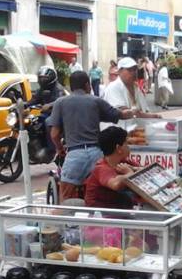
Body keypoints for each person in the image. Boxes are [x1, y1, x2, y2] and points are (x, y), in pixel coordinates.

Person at [48, 71, 137, 203]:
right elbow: (121, 115)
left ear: (71, 86)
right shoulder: (96, 101)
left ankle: (65, 222)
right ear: (87, 85)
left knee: (65, 197)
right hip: (97, 154)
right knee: (103, 192)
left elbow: (54, 134)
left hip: (75, 155)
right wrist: (134, 110)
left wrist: (60, 149)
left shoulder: (60, 103)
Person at [84, 126, 139, 210]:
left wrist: (135, 169)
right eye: (126, 143)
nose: (128, 147)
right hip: (102, 217)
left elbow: (143, 169)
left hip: (121, 212)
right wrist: (130, 173)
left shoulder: (124, 162)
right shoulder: (101, 168)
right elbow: (115, 184)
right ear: (119, 148)